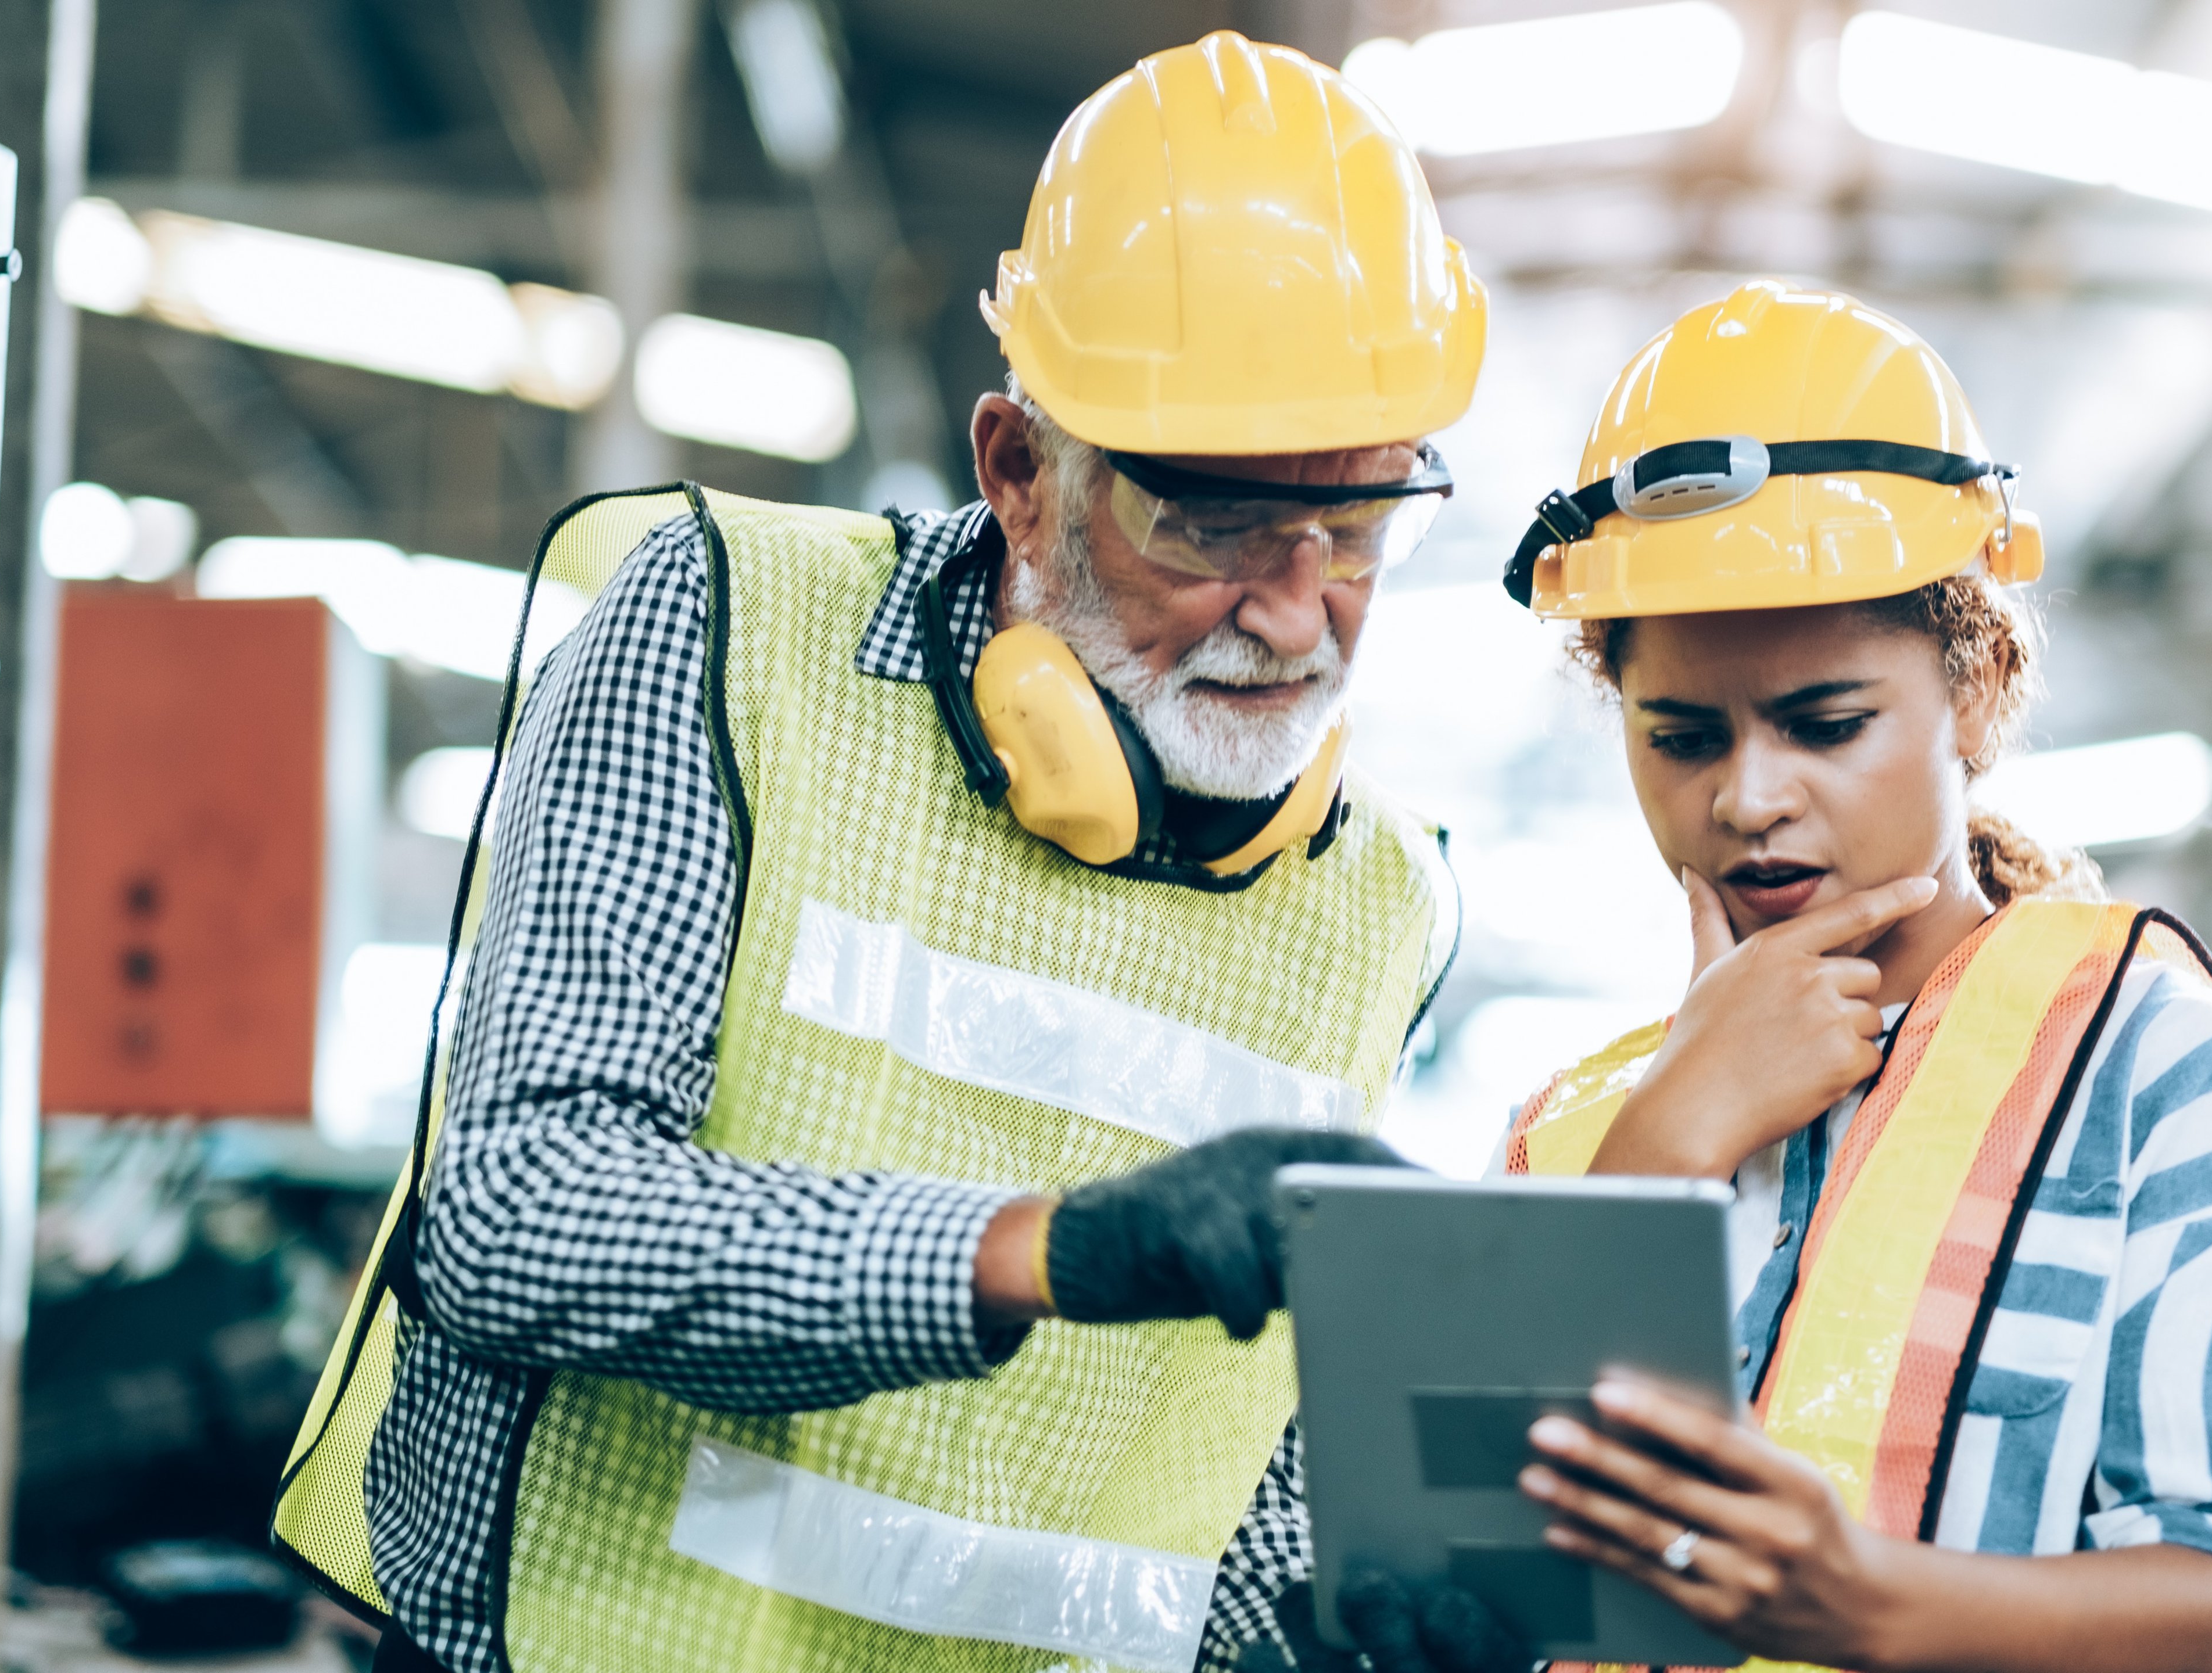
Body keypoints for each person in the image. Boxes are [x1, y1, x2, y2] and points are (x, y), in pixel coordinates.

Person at [268, 31, 1487, 1673]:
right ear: (1017, 469)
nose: (1292, 612)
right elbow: (515, 1219)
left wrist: (1313, 1597)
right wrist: (1043, 1253)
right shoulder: (728, 638)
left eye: (1353, 530)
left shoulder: (1380, 904)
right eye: (1205, 525)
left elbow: (1220, 1451)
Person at [1257, 281, 2212, 1673]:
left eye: (1824, 724)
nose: (1748, 799)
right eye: (1681, 736)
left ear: (1973, 692)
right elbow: (1463, 1575)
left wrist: (1858, 1601)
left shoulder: (2158, 1066)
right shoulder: (1572, 1123)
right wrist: (1670, 1134)